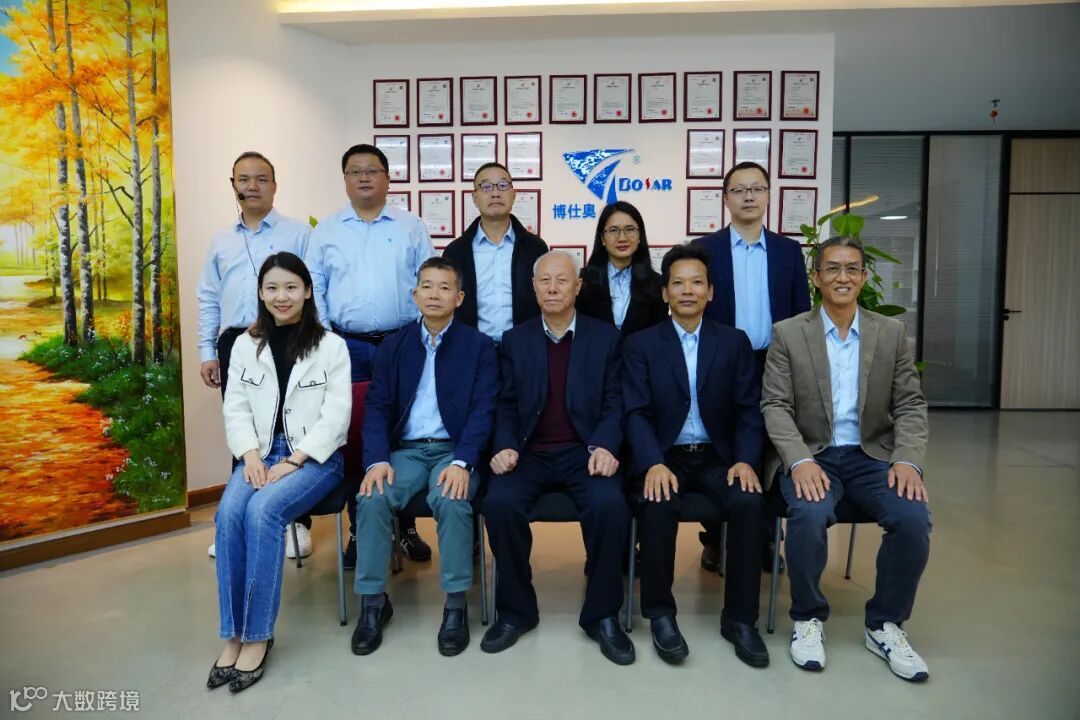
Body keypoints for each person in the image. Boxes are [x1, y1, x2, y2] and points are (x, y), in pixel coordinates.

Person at [761, 236, 932, 681]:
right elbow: (775, 405)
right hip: (812, 453)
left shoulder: (890, 333)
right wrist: (799, 461)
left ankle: (885, 624)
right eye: (833, 268)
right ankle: (807, 618)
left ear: (863, 277)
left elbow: (910, 404)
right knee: (809, 511)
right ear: (816, 277)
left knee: (912, 517)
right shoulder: (788, 333)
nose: (843, 277)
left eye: (852, 268)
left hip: (872, 455)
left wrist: (906, 460)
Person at [481, 251, 634, 666]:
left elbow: (615, 401)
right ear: (533, 288)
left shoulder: (606, 338)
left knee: (609, 505)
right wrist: (504, 445)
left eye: (562, 280)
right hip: (529, 451)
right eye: (544, 281)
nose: (552, 288)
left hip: (585, 451)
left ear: (578, 286)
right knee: (499, 502)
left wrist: (606, 445)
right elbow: (505, 404)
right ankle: (516, 612)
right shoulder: (515, 340)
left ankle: (602, 616)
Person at [209, 252, 351, 693]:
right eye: (271, 288)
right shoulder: (244, 345)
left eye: (291, 287)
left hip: (316, 459)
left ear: (307, 291)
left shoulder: (331, 346)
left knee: (262, 513)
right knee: (228, 515)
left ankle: (258, 637)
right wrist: (249, 456)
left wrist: (295, 460)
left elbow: (337, 417)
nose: (281, 296)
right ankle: (232, 634)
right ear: (260, 293)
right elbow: (235, 408)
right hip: (259, 455)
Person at [623, 244, 770, 668]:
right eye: (678, 283)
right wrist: (652, 462)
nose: (687, 291)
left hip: (718, 456)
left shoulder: (734, 342)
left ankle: (739, 620)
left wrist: (745, 459)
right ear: (665, 292)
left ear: (711, 292)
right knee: (657, 504)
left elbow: (748, 409)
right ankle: (660, 614)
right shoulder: (641, 344)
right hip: (664, 454)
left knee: (748, 503)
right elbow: (635, 412)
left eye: (697, 283)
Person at [351, 257, 498, 657]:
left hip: (454, 451)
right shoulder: (394, 346)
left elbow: (484, 409)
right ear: (414, 294)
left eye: (445, 287)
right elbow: (377, 407)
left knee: (451, 498)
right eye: (427, 286)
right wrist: (377, 460)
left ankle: (455, 605)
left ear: (459, 297)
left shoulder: (480, 347)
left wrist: (464, 461)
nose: (435, 294)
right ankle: (373, 602)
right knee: (371, 497)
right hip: (406, 452)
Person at [306, 143, 435, 569]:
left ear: (387, 178)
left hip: (403, 342)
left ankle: (406, 525)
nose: (364, 177)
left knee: (405, 431)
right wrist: (327, 339)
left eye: (373, 170)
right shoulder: (326, 231)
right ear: (345, 179)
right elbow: (315, 288)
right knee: (355, 434)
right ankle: (361, 529)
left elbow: (428, 281)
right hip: (347, 346)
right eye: (355, 171)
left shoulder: (410, 226)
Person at [692, 161, 811, 573]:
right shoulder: (705, 250)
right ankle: (714, 539)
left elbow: (802, 314)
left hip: (774, 362)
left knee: (769, 451)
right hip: (718, 363)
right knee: (720, 447)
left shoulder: (787, 251)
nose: (748, 196)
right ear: (725, 199)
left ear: (767, 196)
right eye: (739, 189)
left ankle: (765, 541)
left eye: (756, 188)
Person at [197, 151, 315, 560]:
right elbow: (208, 297)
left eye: (261, 179)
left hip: (289, 339)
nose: (252, 187)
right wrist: (207, 350)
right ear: (233, 185)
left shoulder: (298, 233)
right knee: (245, 431)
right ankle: (236, 522)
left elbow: (315, 288)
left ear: (275, 185)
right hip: (236, 343)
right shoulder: (220, 240)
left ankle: (295, 523)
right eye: (244, 179)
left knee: (291, 426)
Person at [442, 161, 547, 343]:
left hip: (524, 347)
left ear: (513, 194)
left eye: (503, 185)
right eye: (486, 187)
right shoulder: (456, 251)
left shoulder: (535, 248)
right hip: (472, 347)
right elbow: (447, 303)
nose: (495, 193)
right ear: (474, 198)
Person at [576, 200, 667, 337]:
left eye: (630, 229)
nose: (622, 238)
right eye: (613, 230)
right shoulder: (583, 281)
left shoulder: (656, 283)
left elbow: (659, 334)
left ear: (640, 236)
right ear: (603, 238)